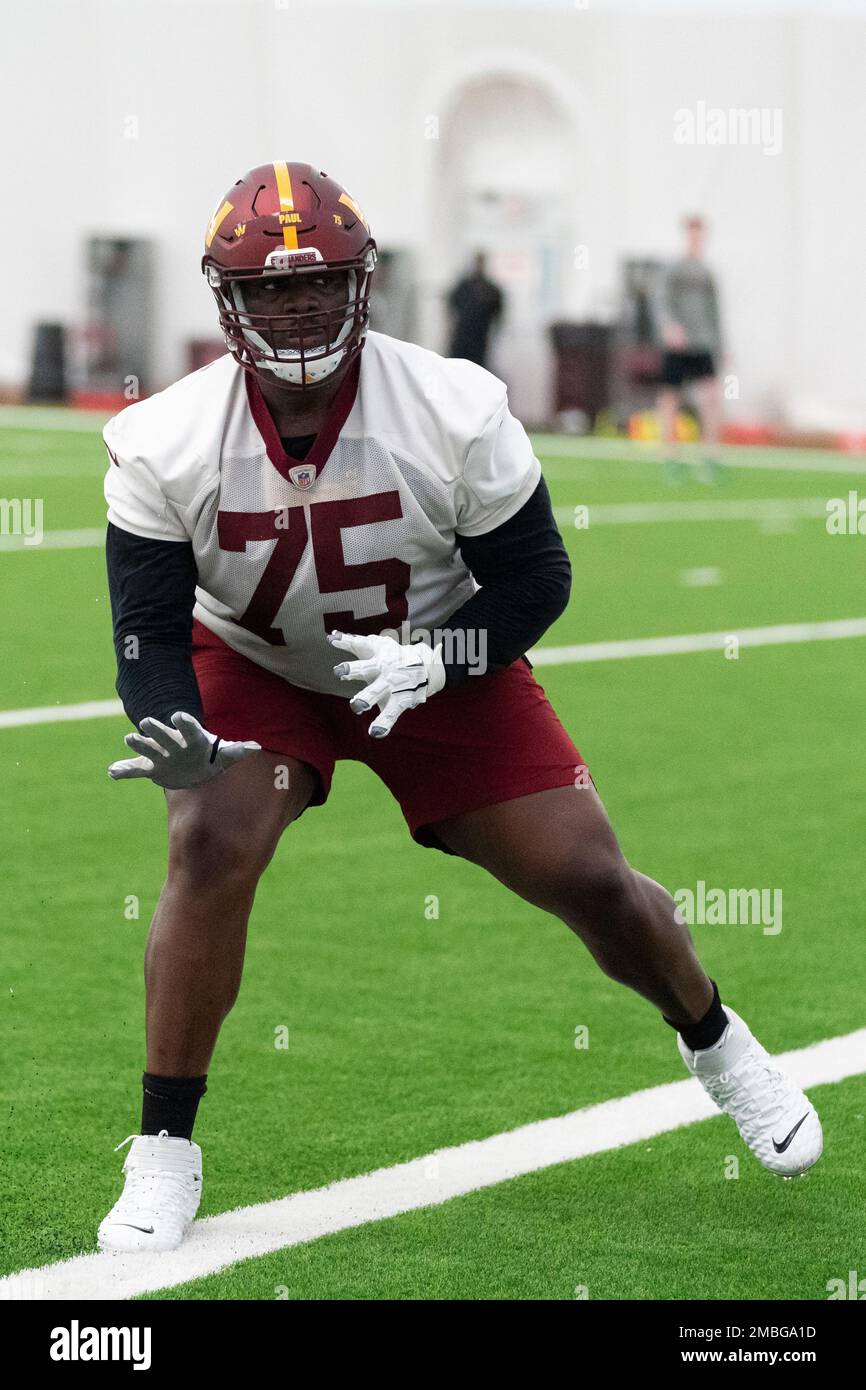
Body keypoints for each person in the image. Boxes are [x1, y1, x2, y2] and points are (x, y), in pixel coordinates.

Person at [98, 163, 821, 1254]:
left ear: (363, 285)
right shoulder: (166, 437)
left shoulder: (448, 404)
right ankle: (164, 1147)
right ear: (226, 303)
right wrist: (171, 720)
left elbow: (535, 578)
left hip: (436, 656)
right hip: (255, 662)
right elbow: (151, 626)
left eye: (318, 286)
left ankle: (715, 1040)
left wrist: (442, 655)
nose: (294, 311)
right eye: (267, 292)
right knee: (210, 839)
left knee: (585, 875)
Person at [657, 215, 724, 483]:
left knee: (711, 398)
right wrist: (670, 326)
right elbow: (661, 302)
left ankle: (709, 457)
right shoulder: (674, 269)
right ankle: (671, 457)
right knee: (671, 399)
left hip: (702, 344)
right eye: (693, 234)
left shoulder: (707, 273)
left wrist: (720, 344)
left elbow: (715, 311)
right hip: (678, 346)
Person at [447, 251, 503, 367]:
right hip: (462, 334)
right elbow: (451, 308)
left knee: (476, 366)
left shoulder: (490, 289)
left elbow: (498, 313)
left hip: (480, 336)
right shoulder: (464, 286)